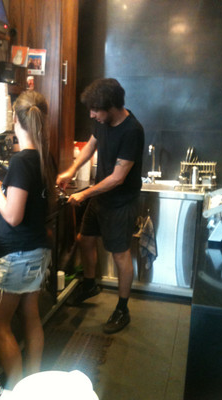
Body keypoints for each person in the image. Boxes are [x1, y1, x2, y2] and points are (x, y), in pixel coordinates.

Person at [57, 78, 144, 334]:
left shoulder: (132, 131)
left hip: (121, 202)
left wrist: (84, 195)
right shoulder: (101, 122)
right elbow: (92, 144)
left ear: (113, 107)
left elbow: (118, 178)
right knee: (85, 238)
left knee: (120, 254)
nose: (92, 115)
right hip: (101, 197)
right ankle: (90, 284)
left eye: (96, 110)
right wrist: (71, 170)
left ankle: (122, 309)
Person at [0, 91, 55, 388]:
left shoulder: (21, 162)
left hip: (16, 256)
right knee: (31, 317)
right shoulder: (43, 157)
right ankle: (32, 386)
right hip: (37, 252)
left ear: (15, 120)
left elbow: (12, 216)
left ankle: (16, 387)